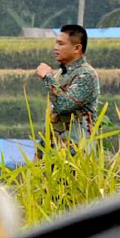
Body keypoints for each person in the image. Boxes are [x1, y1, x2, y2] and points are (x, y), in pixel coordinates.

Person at [34, 24, 100, 153]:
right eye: (56, 43)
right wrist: (40, 151)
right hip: (54, 151)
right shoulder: (60, 74)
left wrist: (47, 77)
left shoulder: (86, 75)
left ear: (77, 48)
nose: (55, 48)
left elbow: (63, 105)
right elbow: (53, 115)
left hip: (77, 153)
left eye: (60, 44)